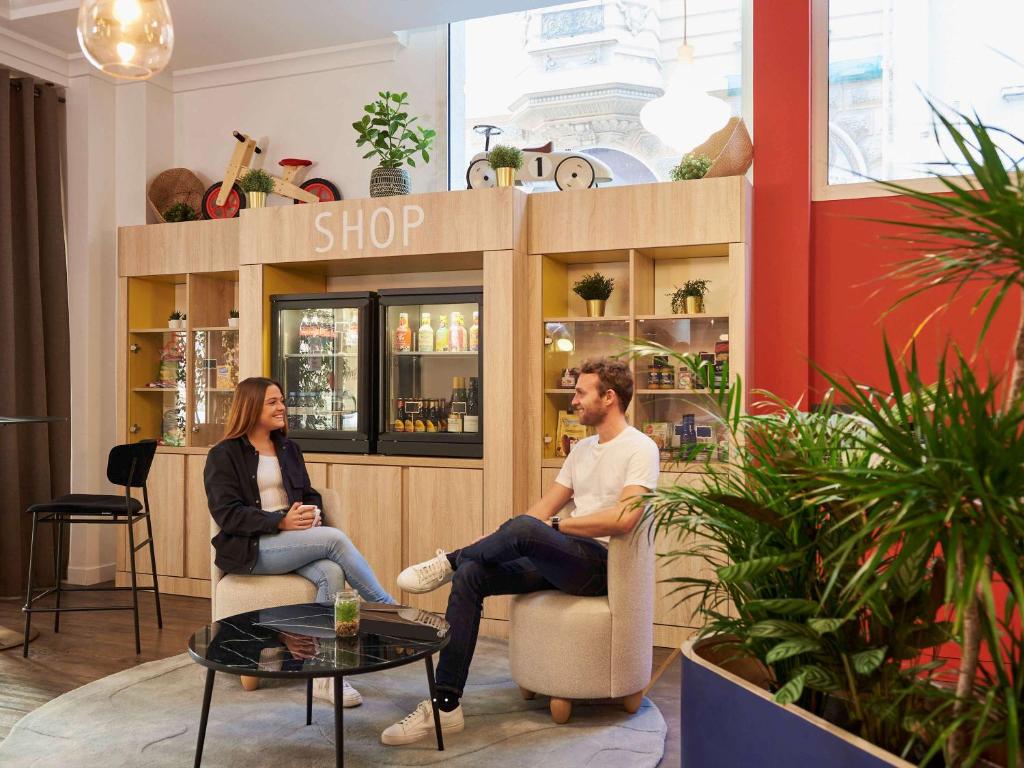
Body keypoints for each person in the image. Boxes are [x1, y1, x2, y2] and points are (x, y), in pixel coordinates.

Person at [381, 358, 660, 746]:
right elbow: (539, 513)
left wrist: (554, 528)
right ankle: (445, 705)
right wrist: (506, 540)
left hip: (600, 565)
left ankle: (448, 560)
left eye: (581, 393)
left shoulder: (640, 448)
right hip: (562, 556)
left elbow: (624, 518)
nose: (574, 400)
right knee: (472, 575)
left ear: (609, 397)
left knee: (523, 530)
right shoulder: (581, 451)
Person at [204, 376, 397, 706]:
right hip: (252, 549)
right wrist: (280, 520)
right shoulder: (224, 454)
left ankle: (324, 675)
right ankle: (389, 612)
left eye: (281, 400)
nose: (282, 407)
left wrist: (312, 514)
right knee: (335, 541)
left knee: (331, 573)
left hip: (291, 541)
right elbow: (227, 515)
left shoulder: (288, 448)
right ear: (250, 407)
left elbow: (308, 494)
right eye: (272, 402)